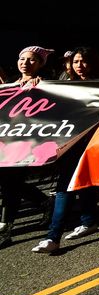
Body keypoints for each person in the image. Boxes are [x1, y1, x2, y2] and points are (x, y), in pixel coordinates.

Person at [31, 46, 99, 254]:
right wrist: (35, 84)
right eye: (76, 62)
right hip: (70, 146)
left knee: (73, 186)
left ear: (93, 62)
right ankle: (85, 222)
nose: (80, 66)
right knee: (72, 185)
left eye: (84, 61)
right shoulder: (64, 86)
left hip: (94, 143)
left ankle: (53, 236)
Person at [0, 47, 55, 248]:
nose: (25, 63)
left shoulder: (46, 84)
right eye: (22, 58)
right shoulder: (9, 85)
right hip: (6, 142)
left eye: (32, 60)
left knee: (10, 185)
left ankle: (5, 229)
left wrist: (41, 88)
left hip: (27, 144)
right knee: (8, 184)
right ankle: (45, 202)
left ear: (40, 63)